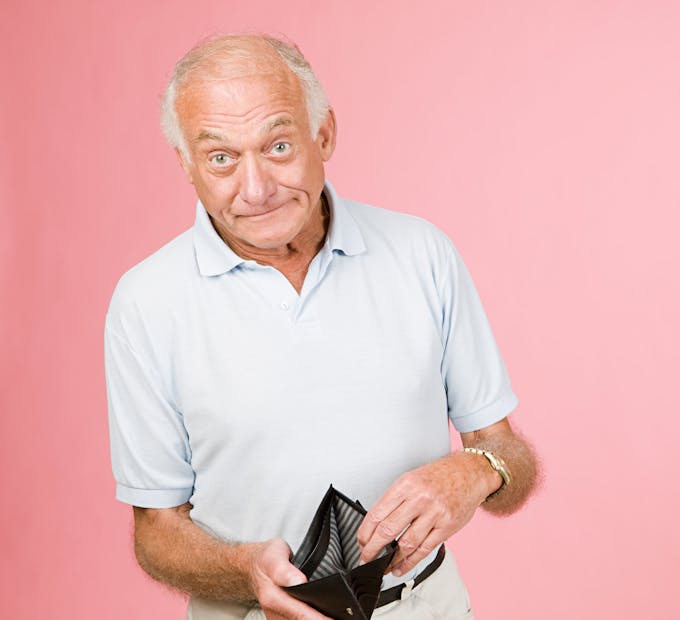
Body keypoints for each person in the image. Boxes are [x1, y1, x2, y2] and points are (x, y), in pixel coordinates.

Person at [104, 33, 539, 620]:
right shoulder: (145, 301)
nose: (255, 190)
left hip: (424, 607)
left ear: (324, 134)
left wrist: (476, 470)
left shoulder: (422, 253)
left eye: (278, 145)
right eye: (221, 158)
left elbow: (509, 456)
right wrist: (244, 569)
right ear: (186, 163)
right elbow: (155, 530)